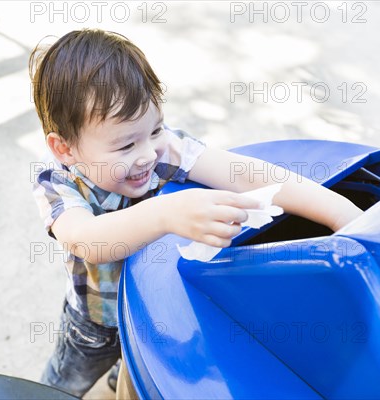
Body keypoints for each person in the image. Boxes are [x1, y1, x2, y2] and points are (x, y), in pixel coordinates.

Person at [29, 29, 362, 398]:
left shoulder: (159, 147)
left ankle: (118, 375)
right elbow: (87, 240)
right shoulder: (56, 181)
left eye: (154, 128)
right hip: (95, 320)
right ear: (65, 149)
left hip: (147, 309)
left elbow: (246, 174)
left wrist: (338, 210)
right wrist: (166, 213)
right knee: (65, 382)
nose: (147, 155)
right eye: (125, 144)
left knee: (134, 361)